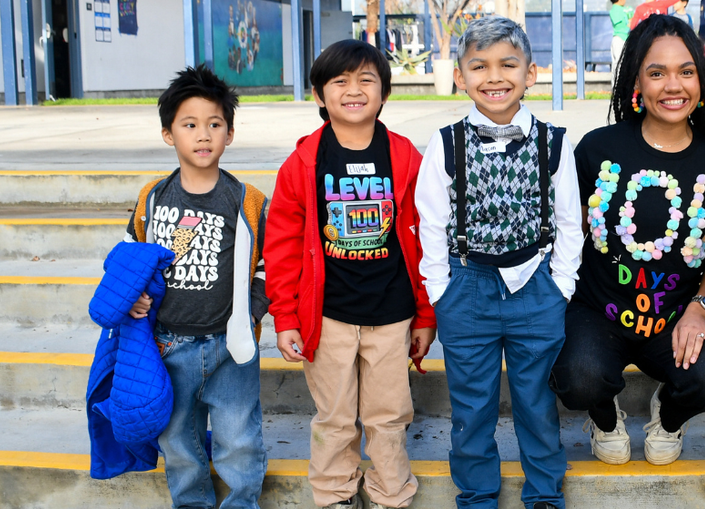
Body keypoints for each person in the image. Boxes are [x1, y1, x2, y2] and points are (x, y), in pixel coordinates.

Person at [550, 14, 705, 467]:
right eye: (657, 73)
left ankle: (669, 415)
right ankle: (604, 417)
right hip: (596, 311)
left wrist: (701, 307)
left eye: (685, 71)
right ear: (636, 80)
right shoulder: (598, 149)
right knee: (578, 377)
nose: (672, 85)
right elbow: (568, 232)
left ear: (702, 80)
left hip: (679, 317)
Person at [414, 16, 584, 509]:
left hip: (537, 287)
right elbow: (432, 221)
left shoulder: (554, 142)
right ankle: (477, 493)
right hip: (467, 288)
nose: (494, 77)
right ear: (462, 77)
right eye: (479, 66)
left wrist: (562, 285)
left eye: (508, 64)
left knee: (535, 399)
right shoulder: (445, 143)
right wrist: (440, 289)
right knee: (472, 402)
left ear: (530, 74)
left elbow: (570, 220)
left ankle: (546, 492)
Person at [266, 39, 435, 509]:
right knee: (335, 417)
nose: (353, 90)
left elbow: (424, 243)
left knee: (388, 414)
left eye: (366, 80)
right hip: (328, 317)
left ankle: (388, 493)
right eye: (339, 81)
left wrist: (425, 316)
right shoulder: (303, 163)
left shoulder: (405, 158)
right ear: (319, 95)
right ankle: (335, 495)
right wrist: (284, 317)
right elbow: (280, 247)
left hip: (392, 312)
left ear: (384, 93)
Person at [124, 64, 268, 509]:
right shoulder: (153, 197)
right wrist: (133, 298)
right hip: (167, 345)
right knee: (179, 443)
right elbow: (130, 256)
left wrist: (253, 310)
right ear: (169, 134)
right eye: (190, 125)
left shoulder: (246, 200)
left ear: (229, 133)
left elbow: (265, 266)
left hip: (230, 347)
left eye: (214, 124)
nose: (203, 135)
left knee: (239, 440)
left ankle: (242, 502)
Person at [609, 0, 631, 77]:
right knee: (619, 64)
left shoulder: (624, 9)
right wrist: (631, 19)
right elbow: (622, 27)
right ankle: (617, 87)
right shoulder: (615, 10)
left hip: (626, 39)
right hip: (620, 39)